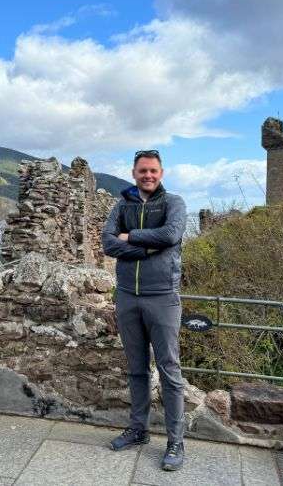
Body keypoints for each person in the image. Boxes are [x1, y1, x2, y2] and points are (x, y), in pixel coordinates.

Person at [101, 149, 187, 471]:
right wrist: (149, 247)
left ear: (161, 173)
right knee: (136, 368)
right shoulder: (121, 205)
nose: (148, 176)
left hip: (163, 296)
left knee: (169, 370)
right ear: (133, 173)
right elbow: (108, 243)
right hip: (126, 296)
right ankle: (138, 429)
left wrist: (132, 237)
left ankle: (175, 441)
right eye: (142, 171)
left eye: (153, 171)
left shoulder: (173, 203)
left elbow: (171, 235)